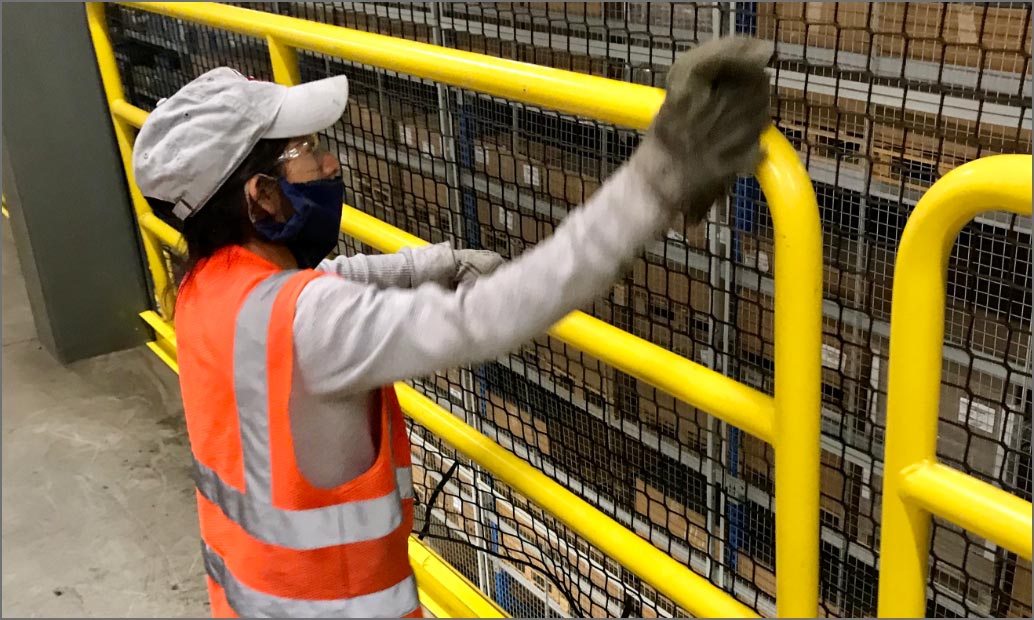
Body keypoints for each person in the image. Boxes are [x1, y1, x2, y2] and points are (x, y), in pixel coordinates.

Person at [133, 36, 771, 619]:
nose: (329, 165)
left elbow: (331, 286)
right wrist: (659, 177)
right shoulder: (311, 325)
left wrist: (429, 265)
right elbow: (486, 320)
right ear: (262, 197)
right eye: (306, 153)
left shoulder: (203, 291)